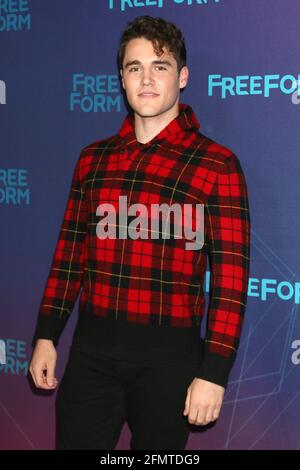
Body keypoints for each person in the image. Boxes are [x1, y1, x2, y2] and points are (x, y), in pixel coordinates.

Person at [29, 15, 251, 450]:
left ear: (182, 76)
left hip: (170, 365)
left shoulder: (217, 166)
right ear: (122, 78)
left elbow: (231, 281)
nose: (146, 79)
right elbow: (70, 254)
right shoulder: (93, 160)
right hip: (91, 356)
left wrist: (214, 372)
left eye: (160, 66)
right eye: (135, 67)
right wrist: (46, 334)